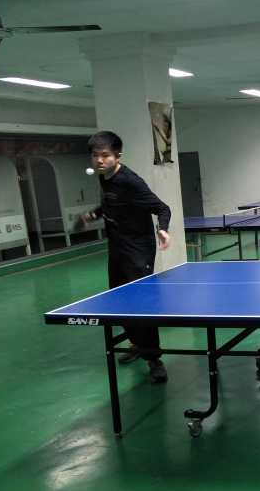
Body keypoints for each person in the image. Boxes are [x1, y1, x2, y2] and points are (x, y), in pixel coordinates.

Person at [83, 131, 172, 383]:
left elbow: (162, 207)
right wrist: (94, 214)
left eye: (105, 155)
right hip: (117, 248)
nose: (100, 160)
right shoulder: (104, 177)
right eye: (95, 156)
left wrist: (163, 229)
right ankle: (136, 343)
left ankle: (154, 359)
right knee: (120, 301)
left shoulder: (131, 181)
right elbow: (112, 203)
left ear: (118, 156)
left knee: (142, 305)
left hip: (138, 250)